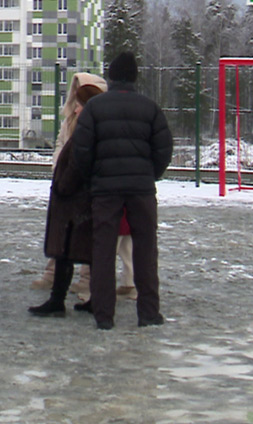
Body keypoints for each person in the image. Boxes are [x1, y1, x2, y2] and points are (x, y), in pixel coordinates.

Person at [71, 52, 174, 330]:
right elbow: (164, 149)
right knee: (145, 249)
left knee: (102, 251)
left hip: (105, 190)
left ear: (112, 76)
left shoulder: (95, 108)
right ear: (135, 77)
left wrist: (94, 177)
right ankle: (149, 313)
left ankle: (104, 315)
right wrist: (148, 174)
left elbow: (81, 150)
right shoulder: (150, 108)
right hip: (141, 189)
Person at [29, 72, 106, 317]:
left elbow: (77, 163)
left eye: (80, 105)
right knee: (86, 250)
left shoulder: (87, 131)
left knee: (66, 250)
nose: (75, 110)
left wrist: (63, 186)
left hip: (75, 200)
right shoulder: (91, 127)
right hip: (83, 199)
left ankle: (59, 300)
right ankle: (94, 299)